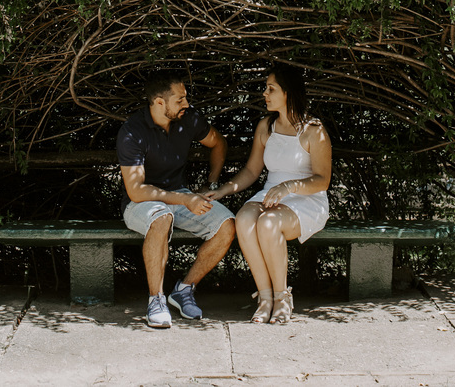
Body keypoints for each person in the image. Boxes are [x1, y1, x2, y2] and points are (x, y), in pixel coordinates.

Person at [206, 63, 331, 324]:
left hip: (305, 199)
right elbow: (252, 171)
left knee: (268, 223)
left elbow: (322, 181)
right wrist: (222, 190)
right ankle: (265, 298)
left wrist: (288, 187)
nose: (265, 93)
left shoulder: (314, 131)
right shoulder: (266, 127)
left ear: (288, 93)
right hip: (272, 194)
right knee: (243, 219)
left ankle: (282, 297)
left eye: (271, 88)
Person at [118, 72, 236, 328]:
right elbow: (137, 190)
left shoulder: (189, 119)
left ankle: (183, 289)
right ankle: (156, 300)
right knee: (161, 217)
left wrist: (211, 184)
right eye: (180, 99)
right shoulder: (132, 131)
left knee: (226, 224)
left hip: (180, 197)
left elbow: (217, 143)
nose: (187, 104)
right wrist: (185, 199)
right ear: (160, 103)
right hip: (139, 203)